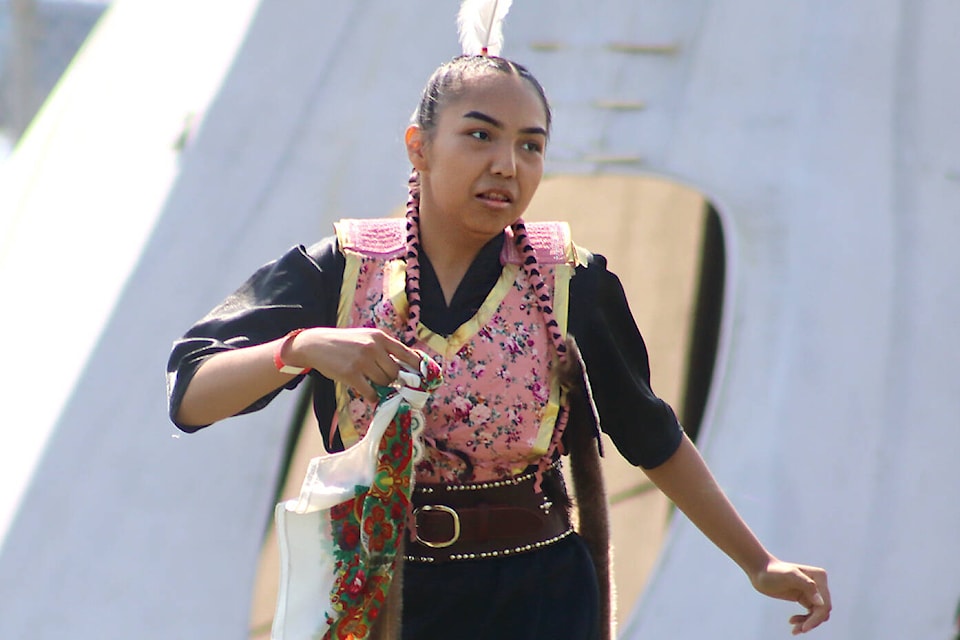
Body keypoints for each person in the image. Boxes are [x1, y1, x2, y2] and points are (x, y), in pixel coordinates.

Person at [166, 8, 831, 640]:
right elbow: (192, 396)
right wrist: (304, 347)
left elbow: (650, 434)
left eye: (531, 145)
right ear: (418, 147)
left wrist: (758, 563)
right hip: (379, 593)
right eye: (480, 135)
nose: (507, 165)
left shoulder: (574, 281)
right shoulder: (342, 270)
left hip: (537, 594)